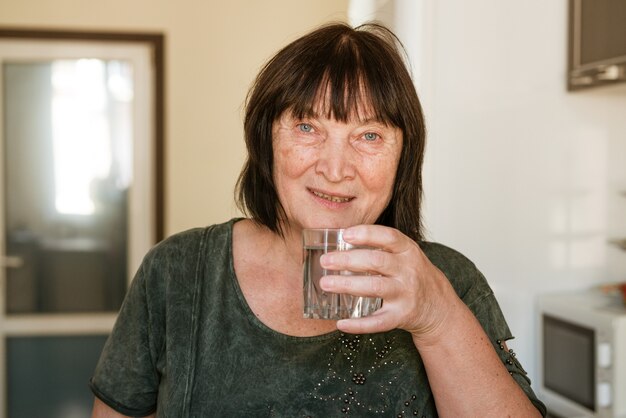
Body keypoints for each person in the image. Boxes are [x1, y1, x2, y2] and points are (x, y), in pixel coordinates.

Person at [90, 22, 546, 417]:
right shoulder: (176, 271)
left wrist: (437, 316)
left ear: (403, 157)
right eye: (308, 127)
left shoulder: (451, 280)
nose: (334, 168)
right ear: (265, 139)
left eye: (368, 135)